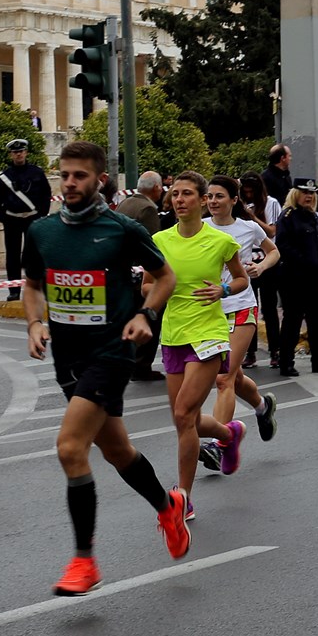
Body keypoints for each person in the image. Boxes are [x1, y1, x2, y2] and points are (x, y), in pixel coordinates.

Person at [20, 141, 189, 595]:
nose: (70, 183)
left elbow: (166, 276)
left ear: (100, 180)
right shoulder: (41, 232)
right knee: (117, 451)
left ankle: (84, 561)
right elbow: (32, 285)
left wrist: (145, 314)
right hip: (67, 357)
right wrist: (35, 322)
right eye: (65, 175)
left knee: (70, 448)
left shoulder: (122, 229)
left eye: (79, 175)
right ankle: (167, 505)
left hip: (113, 352)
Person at [152, 171, 252, 504]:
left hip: (209, 334)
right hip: (173, 334)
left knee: (182, 415)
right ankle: (228, 433)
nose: (179, 200)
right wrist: (162, 291)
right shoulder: (161, 241)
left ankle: (183, 497)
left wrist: (222, 289)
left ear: (201, 199)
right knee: (189, 420)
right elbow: (146, 287)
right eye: (175, 194)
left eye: (187, 194)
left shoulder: (220, 241)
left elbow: (241, 280)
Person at [200, 177, 278, 467]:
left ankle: (218, 443)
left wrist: (261, 266)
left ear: (234, 200)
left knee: (223, 378)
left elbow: (273, 251)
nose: (213, 201)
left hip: (241, 307)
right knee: (233, 377)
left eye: (219, 196)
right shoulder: (201, 227)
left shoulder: (248, 228)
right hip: (209, 311)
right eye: (209, 196)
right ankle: (262, 406)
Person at [272, 187, 318, 377]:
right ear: (295, 195)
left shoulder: (314, 217)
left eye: (312, 193)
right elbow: (283, 246)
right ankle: (286, 363)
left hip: (316, 277)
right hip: (294, 278)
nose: (309, 196)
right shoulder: (288, 217)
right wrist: (305, 263)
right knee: (292, 321)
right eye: (305, 192)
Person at [115, 171, 166, 383]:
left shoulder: (124, 204)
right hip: (139, 275)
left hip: (122, 271)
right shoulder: (148, 209)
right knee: (150, 317)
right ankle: (142, 365)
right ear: (156, 188)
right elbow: (153, 244)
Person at [0, 138, 52, 301]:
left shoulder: (36, 173)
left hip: (33, 219)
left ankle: (40, 288)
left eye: (21, 151)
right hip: (12, 220)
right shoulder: (4, 177)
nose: (19, 155)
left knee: (36, 254)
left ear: (26, 153)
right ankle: (14, 290)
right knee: (13, 256)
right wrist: (3, 217)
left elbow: (46, 194)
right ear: (11, 155)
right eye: (15, 152)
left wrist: (42, 215)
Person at [239, 172, 283, 364]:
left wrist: (253, 218)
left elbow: (272, 230)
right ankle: (250, 352)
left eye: (251, 192)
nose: (248, 196)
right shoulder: (239, 204)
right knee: (249, 306)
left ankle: (275, 350)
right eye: (245, 192)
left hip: (266, 260)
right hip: (247, 260)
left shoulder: (271, 203)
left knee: (269, 307)